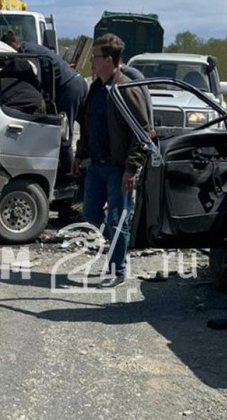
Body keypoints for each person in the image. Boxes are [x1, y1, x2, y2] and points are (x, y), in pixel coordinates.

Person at [73, 33, 152, 288]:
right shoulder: (96, 88)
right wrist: (80, 154)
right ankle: (121, 243)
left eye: (95, 57)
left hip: (117, 168)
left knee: (118, 220)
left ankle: (117, 270)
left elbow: (143, 133)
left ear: (108, 60)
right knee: (91, 213)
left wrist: (131, 168)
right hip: (96, 165)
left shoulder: (126, 89)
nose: (92, 62)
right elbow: (88, 126)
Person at [0, 31, 88, 182]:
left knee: (63, 134)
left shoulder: (27, 53)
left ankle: (68, 177)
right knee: (87, 127)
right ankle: (84, 168)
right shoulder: (31, 47)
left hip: (68, 88)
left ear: (13, 44)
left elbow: (37, 79)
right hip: (75, 83)